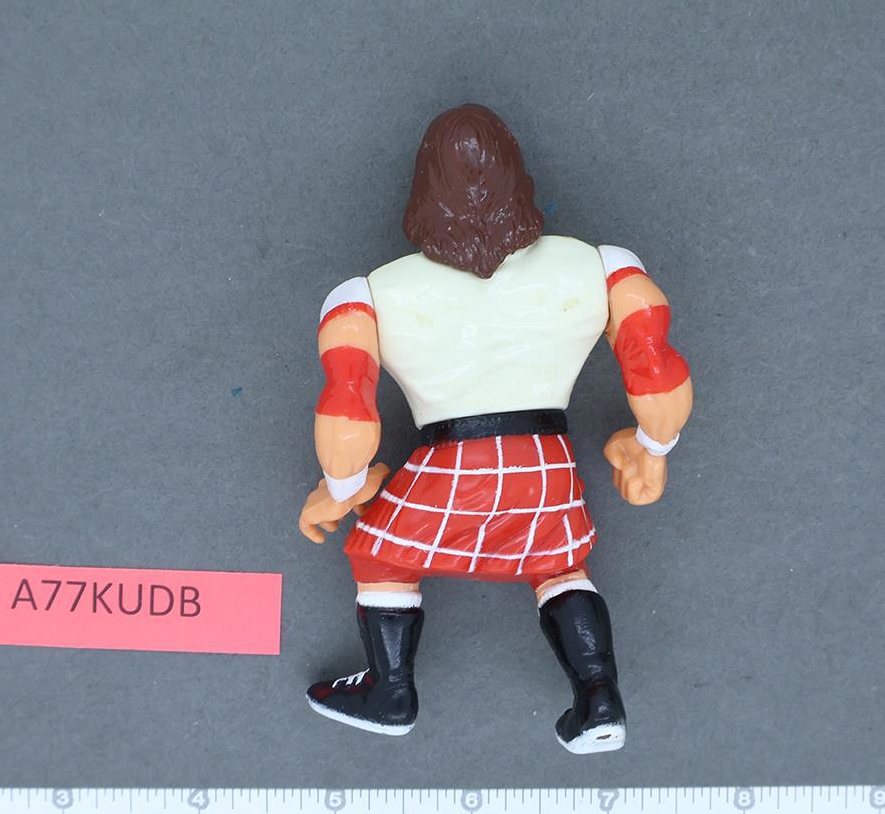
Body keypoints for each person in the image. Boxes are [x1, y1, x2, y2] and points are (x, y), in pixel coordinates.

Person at [297, 104, 693, 754]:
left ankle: (391, 692)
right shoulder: (603, 267)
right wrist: (653, 447)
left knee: (378, 554)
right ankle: (598, 697)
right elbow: (654, 367)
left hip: (450, 456)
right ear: (519, 176)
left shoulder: (365, 295)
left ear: (422, 188)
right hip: (545, 458)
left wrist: (340, 489)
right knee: (562, 565)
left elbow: (347, 406)